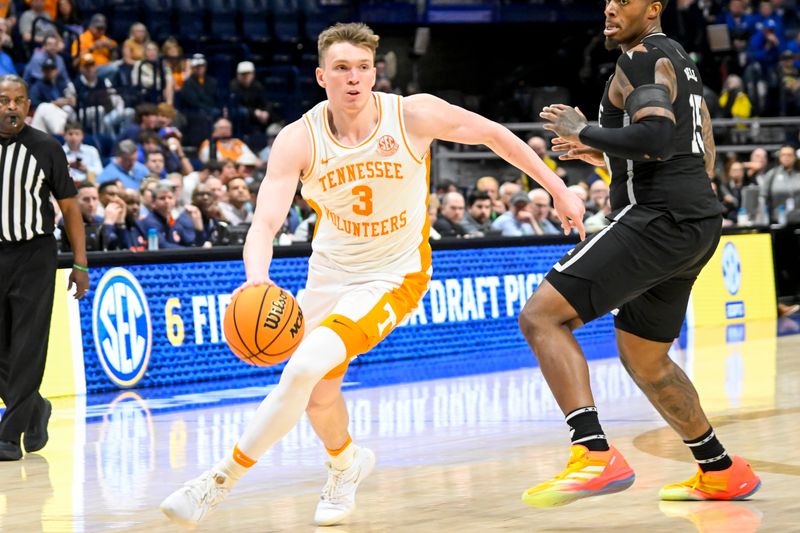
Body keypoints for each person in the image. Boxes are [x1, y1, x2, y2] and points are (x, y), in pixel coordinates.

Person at [160, 22, 584, 528]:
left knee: (301, 369)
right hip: (328, 272)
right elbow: (266, 223)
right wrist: (256, 280)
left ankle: (216, 482)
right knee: (318, 393)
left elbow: (494, 135)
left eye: (363, 68)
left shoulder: (411, 115)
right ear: (322, 76)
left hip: (394, 273)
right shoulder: (300, 138)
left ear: (375, 72)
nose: (355, 78)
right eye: (342, 68)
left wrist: (559, 190)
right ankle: (345, 465)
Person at [520, 0, 761, 508]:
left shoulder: (641, 57)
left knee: (541, 317)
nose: (609, 7)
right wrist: (607, 152)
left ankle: (592, 453)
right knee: (645, 357)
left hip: (659, 217)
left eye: (624, 0)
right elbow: (695, 152)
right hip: (696, 220)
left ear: (652, 8)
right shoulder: (681, 60)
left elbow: (652, 140)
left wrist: (580, 129)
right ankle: (720, 469)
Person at [0, 75, 88, 461]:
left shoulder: (45, 147)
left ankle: (8, 434)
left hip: (34, 254)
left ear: (28, 106)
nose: (11, 107)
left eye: (19, 100)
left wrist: (80, 263)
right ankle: (36, 409)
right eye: (4, 100)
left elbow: (70, 207)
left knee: (28, 345)